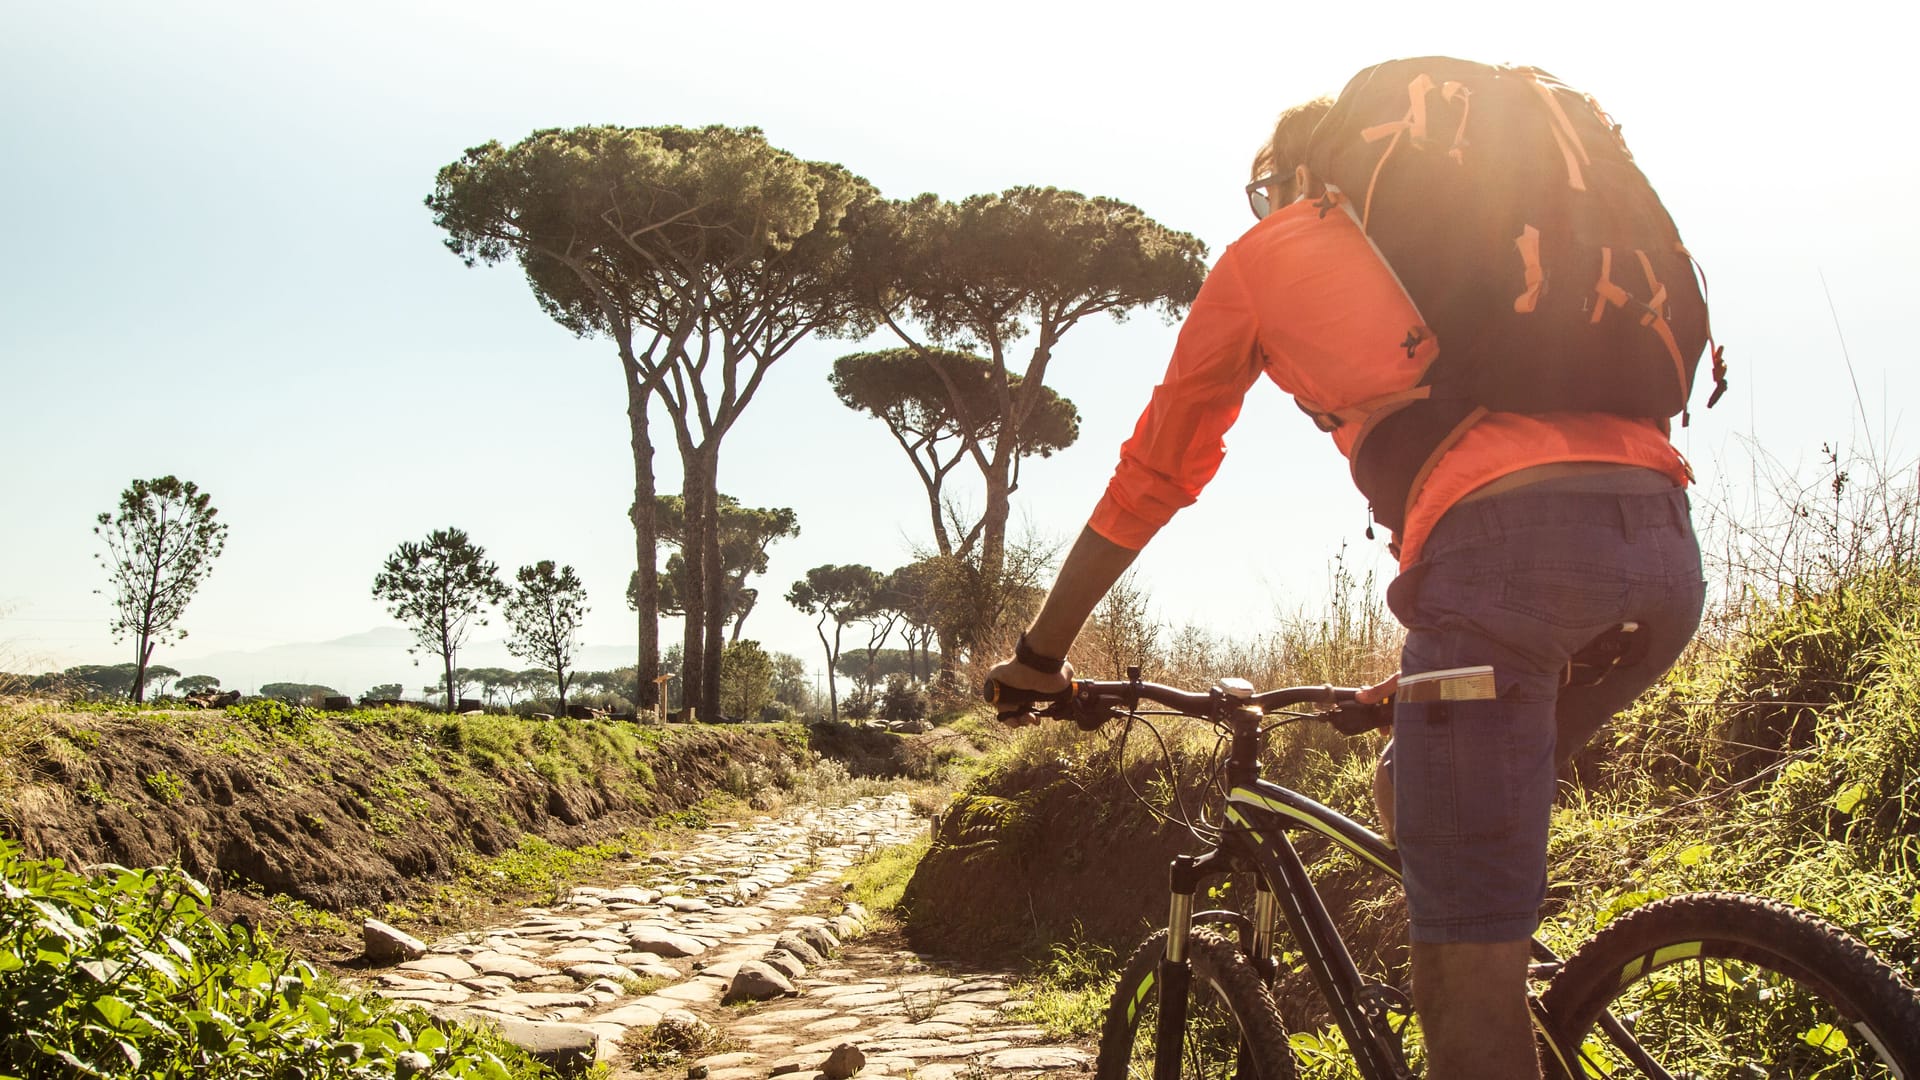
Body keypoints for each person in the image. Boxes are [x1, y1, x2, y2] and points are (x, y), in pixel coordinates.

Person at [985, 94, 1707, 1080]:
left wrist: (1042, 656)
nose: (1267, 210)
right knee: (1414, 789)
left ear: (1303, 178)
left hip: (1503, 561)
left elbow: (1156, 474)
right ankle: (1537, 1005)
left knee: (1462, 979)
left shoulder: (1275, 252)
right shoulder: (1494, 264)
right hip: (1664, 549)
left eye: (1266, 190)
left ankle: (1487, 1000)